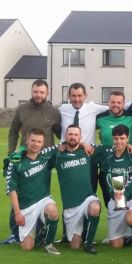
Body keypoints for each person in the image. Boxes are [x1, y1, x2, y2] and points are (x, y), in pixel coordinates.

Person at [4, 79, 61, 245]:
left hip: (45, 161)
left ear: (47, 93)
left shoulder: (53, 112)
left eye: (42, 92)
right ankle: (16, 234)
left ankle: (42, 230)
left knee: (42, 195)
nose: (38, 95)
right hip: (23, 158)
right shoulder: (22, 109)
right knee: (19, 195)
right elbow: (13, 132)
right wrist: (11, 153)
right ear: (32, 91)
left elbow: (60, 133)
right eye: (36, 91)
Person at [5, 128, 60, 254]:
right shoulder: (16, 161)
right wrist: (18, 213)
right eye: (33, 140)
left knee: (52, 210)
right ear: (27, 141)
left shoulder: (46, 156)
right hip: (25, 207)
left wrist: (84, 145)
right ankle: (41, 232)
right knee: (27, 247)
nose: (35, 144)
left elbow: (64, 144)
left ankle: (49, 244)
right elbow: (12, 190)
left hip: (43, 200)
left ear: (43, 143)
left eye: (39, 141)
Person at [50, 125, 101, 254]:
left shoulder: (87, 152)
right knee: (74, 246)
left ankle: (89, 244)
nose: (73, 137)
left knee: (95, 207)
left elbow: (110, 148)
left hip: (87, 199)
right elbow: (39, 153)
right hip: (71, 206)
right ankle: (75, 232)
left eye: (76, 135)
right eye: (70, 134)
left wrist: (129, 146)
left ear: (80, 137)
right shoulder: (58, 155)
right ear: (65, 136)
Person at [92, 125, 132, 249]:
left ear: (128, 138)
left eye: (122, 138)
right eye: (116, 138)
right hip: (116, 197)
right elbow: (89, 148)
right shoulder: (106, 154)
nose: (119, 141)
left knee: (131, 219)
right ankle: (129, 236)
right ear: (112, 139)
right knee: (116, 245)